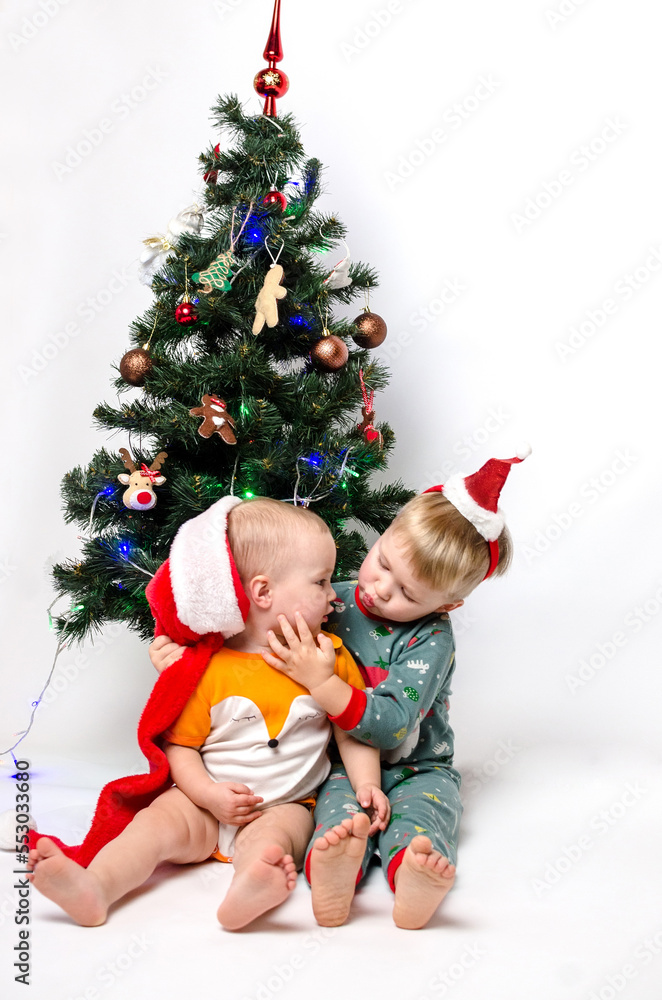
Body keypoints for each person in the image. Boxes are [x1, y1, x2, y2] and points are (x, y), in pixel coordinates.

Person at [150, 449, 529, 929]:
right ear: (383, 535)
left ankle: (412, 873)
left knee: (424, 815)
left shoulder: (431, 639)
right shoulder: (334, 598)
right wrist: (182, 657)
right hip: (340, 765)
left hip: (415, 766)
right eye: (382, 562)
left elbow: (391, 725)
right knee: (337, 820)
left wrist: (321, 681)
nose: (381, 587)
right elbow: (256, 635)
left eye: (408, 592)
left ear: (446, 604)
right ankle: (336, 872)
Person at [27, 497, 389, 931]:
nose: (334, 595)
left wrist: (367, 784)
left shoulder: (328, 658)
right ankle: (96, 887)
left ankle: (248, 890)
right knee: (152, 825)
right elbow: (181, 748)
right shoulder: (208, 669)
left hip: (285, 803)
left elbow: (350, 731)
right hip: (202, 802)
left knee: (278, 838)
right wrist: (207, 795)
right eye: (321, 581)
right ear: (263, 592)